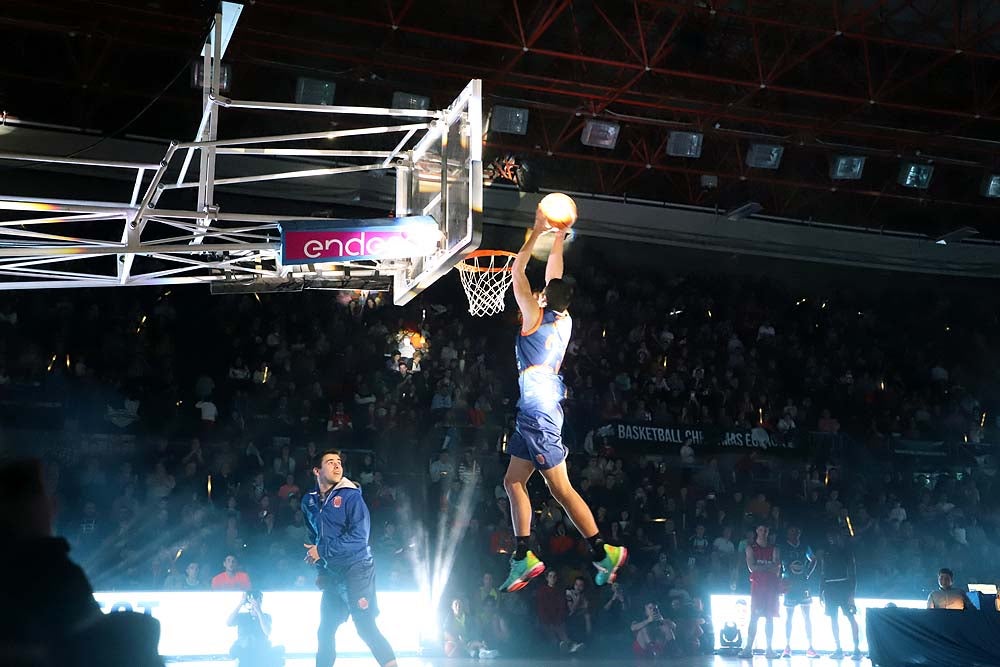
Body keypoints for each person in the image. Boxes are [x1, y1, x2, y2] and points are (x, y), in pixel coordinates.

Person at [501, 200, 626, 593]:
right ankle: (523, 554)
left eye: (539, 293)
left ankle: (602, 550)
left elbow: (518, 271)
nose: (535, 292)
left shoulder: (534, 319)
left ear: (541, 300)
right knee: (513, 481)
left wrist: (537, 229)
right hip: (536, 406)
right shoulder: (563, 318)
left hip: (538, 409)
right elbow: (555, 275)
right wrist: (558, 238)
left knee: (561, 489)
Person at [302, 449, 397, 667]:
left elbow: (359, 538)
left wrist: (322, 552)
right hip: (333, 573)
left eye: (339, 462)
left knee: (364, 625)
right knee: (325, 629)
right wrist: (321, 570)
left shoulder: (351, 495)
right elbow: (315, 538)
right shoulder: (308, 501)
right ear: (317, 470)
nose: (337, 466)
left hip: (358, 568)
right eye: (330, 462)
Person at [739, 524, 781, 659]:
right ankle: (748, 648)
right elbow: (751, 567)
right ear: (757, 530)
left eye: (766, 529)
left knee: (769, 618)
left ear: (768, 531)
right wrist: (768, 566)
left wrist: (761, 567)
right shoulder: (750, 548)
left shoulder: (774, 548)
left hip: (771, 588)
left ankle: (769, 648)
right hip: (758, 588)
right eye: (761, 529)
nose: (763, 532)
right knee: (754, 617)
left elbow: (776, 569)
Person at [820, 529, 861, 660]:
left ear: (839, 536)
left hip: (844, 588)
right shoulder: (826, 552)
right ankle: (838, 649)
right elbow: (823, 573)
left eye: (834, 535)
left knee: (850, 617)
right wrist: (821, 591)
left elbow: (853, 574)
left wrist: (851, 595)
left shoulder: (847, 552)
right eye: (829, 536)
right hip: (830, 589)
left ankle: (856, 649)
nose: (831, 538)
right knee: (833, 618)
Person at [780, 526, 818, 658]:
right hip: (789, 584)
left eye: (797, 531)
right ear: (788, 533)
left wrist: (807, 572)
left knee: (807, 616)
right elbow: (778, 563)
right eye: (792, 531)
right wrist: (780, 580)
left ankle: (810, 647)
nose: (795, 533)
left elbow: (814, 559)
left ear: (800, 533)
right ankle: (787, 646)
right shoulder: (783, 547)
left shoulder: (804, 546)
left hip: (803, 584)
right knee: (789, 616)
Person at [227, 590, 283, 667]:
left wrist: (258, 610)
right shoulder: (242, 616)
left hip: (261, 651)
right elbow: (229, 623)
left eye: (259, 600)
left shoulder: (266, 616)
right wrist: (240, 603)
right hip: (244, 651)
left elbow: (267, 631)